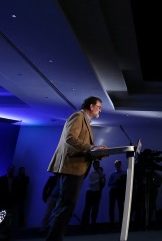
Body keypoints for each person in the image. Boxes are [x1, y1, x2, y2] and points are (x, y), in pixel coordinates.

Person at [46, 96, 108, 241]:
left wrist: (97, 153)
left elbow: (81, 147)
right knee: (65, 207)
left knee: (66, 207)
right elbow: (70, 138)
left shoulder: (85, 120)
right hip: (71, 169)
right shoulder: (78, 116)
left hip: (75, 169)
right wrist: (93, 147)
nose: (101, 110)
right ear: (91, 106)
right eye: (99, 107)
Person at [81, 160, 106, 229]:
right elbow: (90, 184)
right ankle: (84, 225)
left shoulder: (100, 172)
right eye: (96, 165)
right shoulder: (91, 173)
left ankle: (93, 223)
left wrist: (103, 178)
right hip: (90, 192)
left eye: (98, 164)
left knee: (95, 209)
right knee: (87, 209)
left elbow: (102, 183)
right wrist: (99, 179)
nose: (97, 166)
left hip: (97, 192)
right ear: (93, 165)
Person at [107, 159, 126, 225]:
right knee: (111, 206)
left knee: (121, 206)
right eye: (116, 164)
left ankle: (122, 222)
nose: (118, 165)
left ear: (120, 165)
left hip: (120, 191)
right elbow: (109, 184)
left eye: (119, 164)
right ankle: (112, 222)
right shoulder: (113, 174)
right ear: (115, 165)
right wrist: (115, 181)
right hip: (113, 190)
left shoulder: (124, 173)